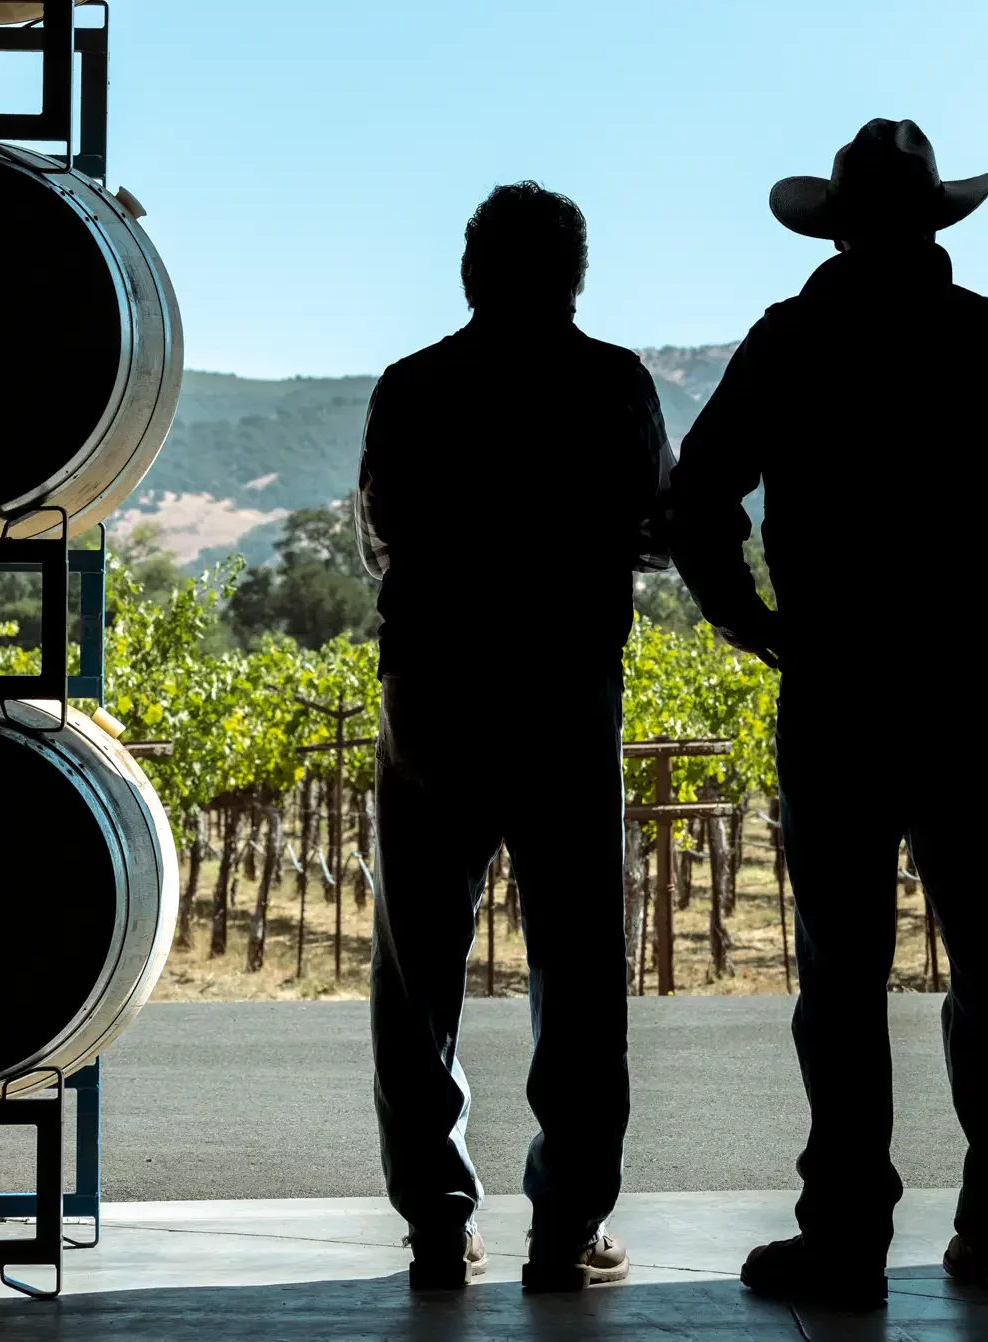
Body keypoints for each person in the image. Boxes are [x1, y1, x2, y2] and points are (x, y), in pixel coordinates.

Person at [668, 119, 988, 1309]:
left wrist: (754, 621)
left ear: (836, 224)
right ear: (935, 222)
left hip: (836, 696)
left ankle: (844, 1237)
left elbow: (697, 498)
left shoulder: (794, 341)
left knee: (840, 978)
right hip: (970, 697)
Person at [356, 181, 670, 1293]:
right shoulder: (613, 384)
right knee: (579, 971)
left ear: (468, 271)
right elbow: (656, 527)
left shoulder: (410, 387)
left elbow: (383, 529)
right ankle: (563, 1228)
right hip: (563, 694)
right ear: (574, 278)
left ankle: (437, 1228)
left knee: (417, 971)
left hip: (431, 694)